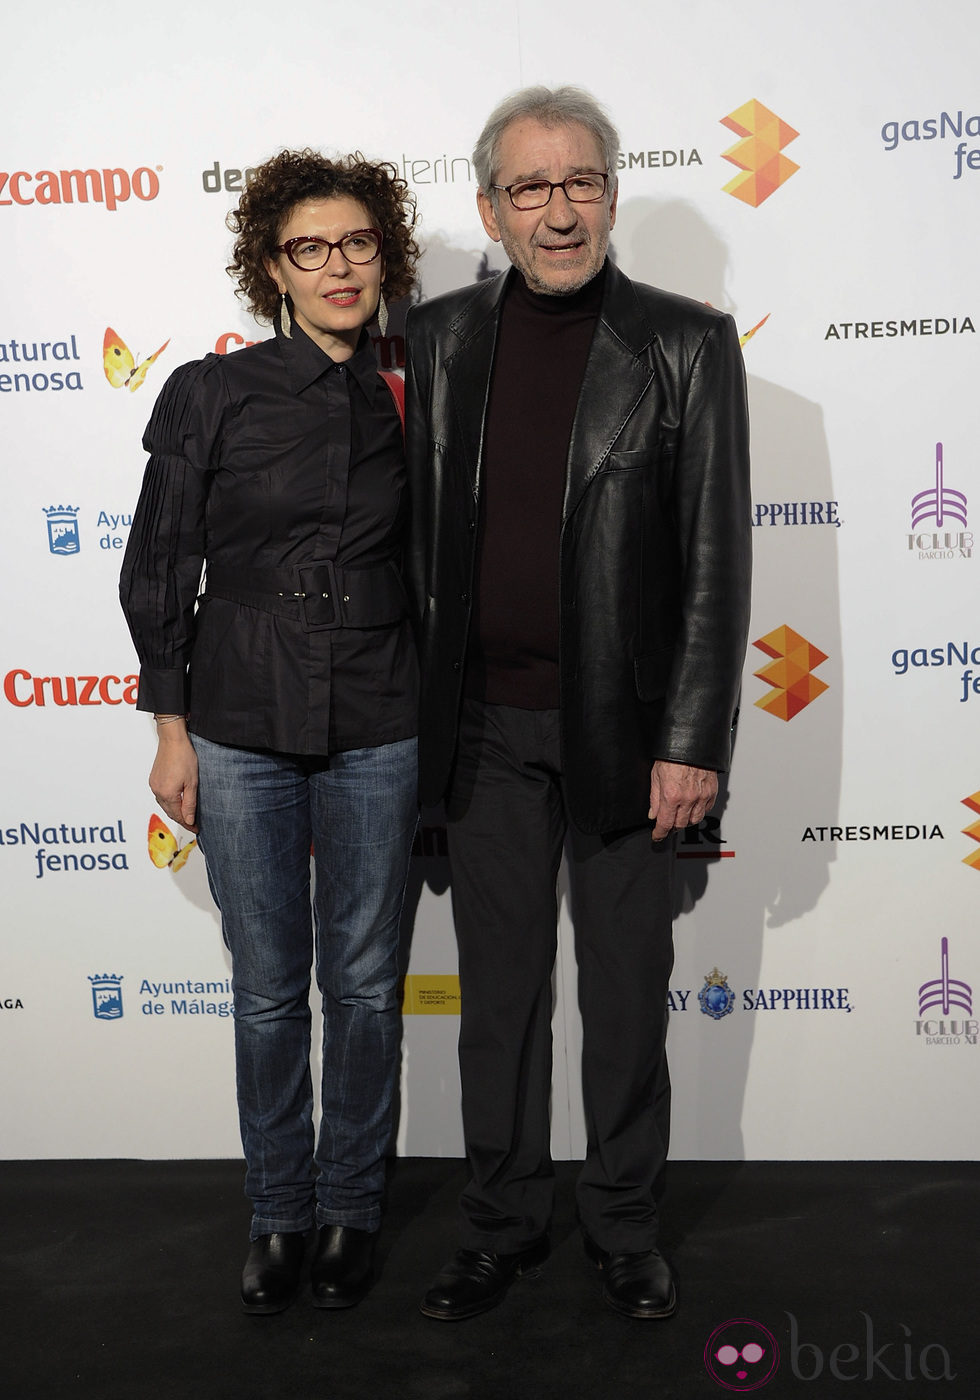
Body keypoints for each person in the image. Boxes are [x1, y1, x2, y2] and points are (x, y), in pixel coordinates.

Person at [405, 86, 751, 1321]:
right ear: (488, 206)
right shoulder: (439, 337)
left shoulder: (684, 342)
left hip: (625, 734)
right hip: (483, 734)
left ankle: (619, 1221)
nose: (559, 212)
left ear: (610, 189)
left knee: (620, 996)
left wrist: (690, 740)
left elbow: (714, 561)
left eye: (581, 182)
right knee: (496, 999)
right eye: (530, 188)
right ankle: (499, 1220)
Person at [120, 149, 420, 1315]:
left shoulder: (417, 388)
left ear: (381, 254)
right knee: (263, 988)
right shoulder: (209, 391)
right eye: (310, 247)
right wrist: (171, 727)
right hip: (239, 716)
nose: (338, 266)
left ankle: (350, 1207)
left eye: (356, 243)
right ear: (270, 269)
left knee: (364, 982)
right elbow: (159, 567)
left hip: (379, 715)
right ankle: (276, 1212)